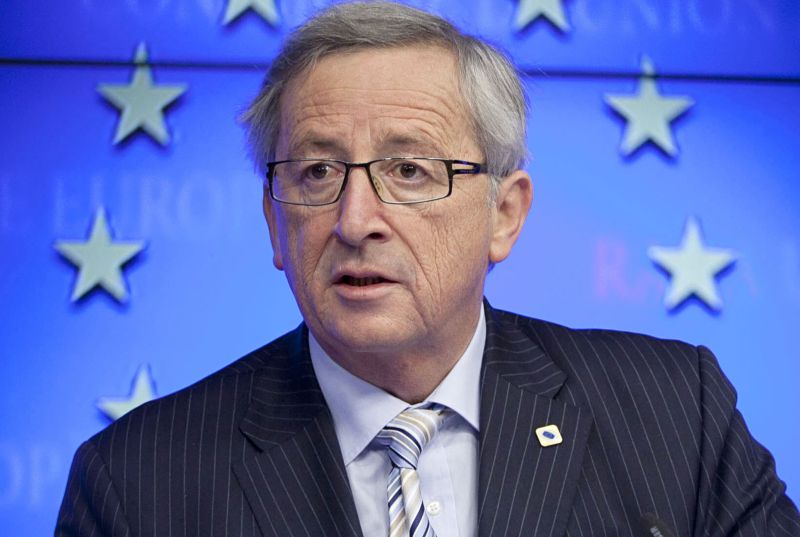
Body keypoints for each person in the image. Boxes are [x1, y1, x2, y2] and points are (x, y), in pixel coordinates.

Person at [56, 2, 799, 536]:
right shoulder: (137, 481)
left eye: (409, 170)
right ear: (274, 222)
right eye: (317, 173)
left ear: (504, 213)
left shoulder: (677, 413)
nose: (355, 221)